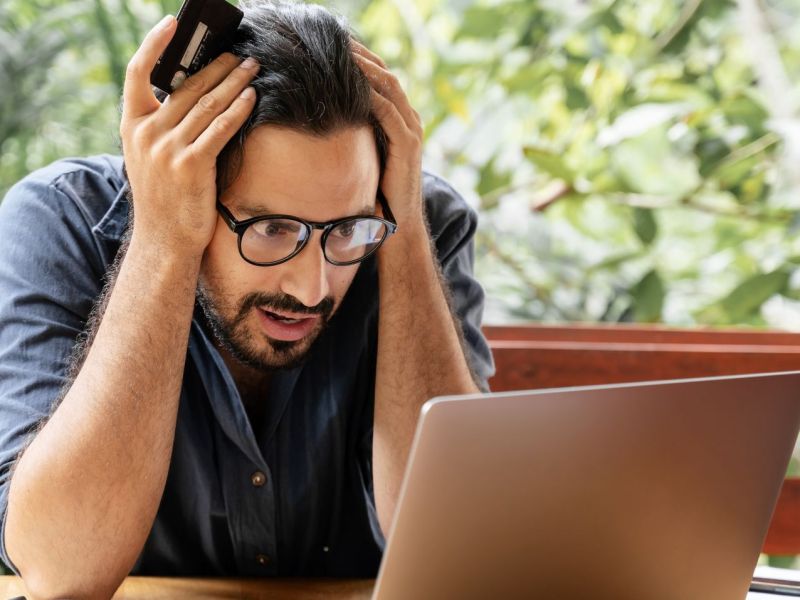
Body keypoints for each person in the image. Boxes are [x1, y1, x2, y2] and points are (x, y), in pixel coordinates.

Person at [0, 1, 493, 596]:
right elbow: (59, 569)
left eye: (346, 230)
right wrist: (162, 239)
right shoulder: (60, 220)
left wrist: (399, 226)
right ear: (191, 186)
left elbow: (463, 551)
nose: (311, 290)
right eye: (272, 229)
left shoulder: (411, 219)